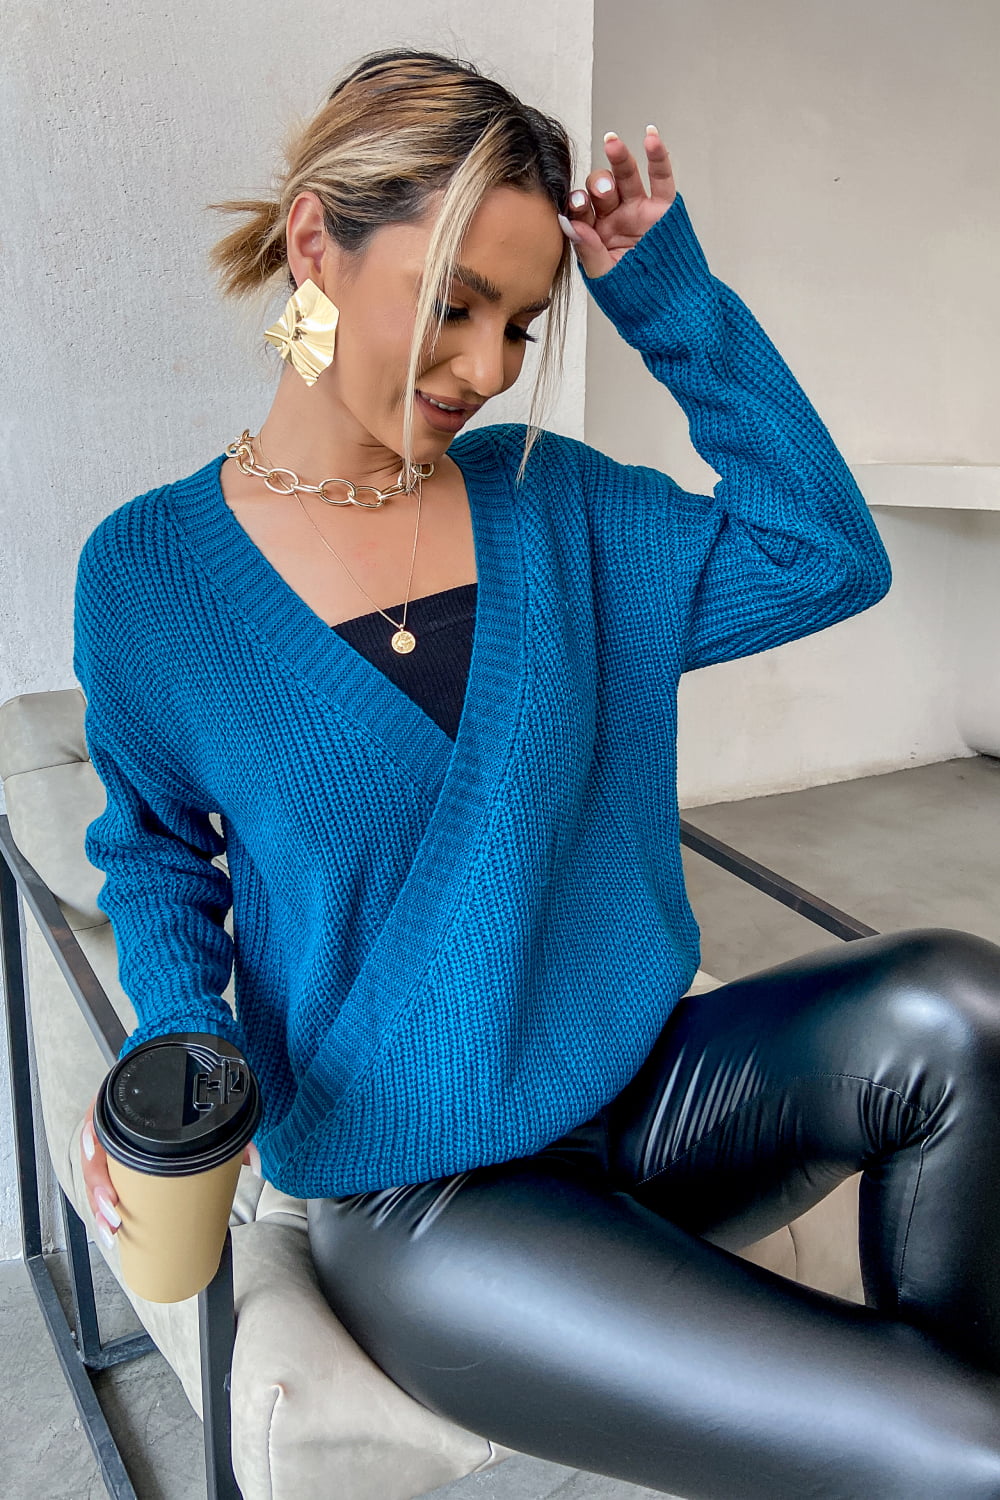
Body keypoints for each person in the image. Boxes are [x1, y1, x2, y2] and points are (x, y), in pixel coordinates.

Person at [73, 45, 1000, 1500]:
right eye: (453, 304)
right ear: (316, 242)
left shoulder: (553, 504)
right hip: (430, 1194)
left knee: (960, 1000)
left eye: (522, 321)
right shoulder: (152, 573)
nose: (489, 368)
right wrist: (184, 1045)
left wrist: (666, 302)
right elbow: (152, 850)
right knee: (962, 1446)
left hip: (648, 1088)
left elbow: (824, 551)